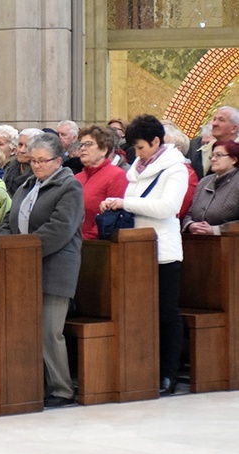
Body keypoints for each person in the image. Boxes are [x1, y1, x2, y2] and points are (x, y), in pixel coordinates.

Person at [100, 114, 188, 396]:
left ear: (156, 141)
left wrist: (124, 202)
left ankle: (169, 373)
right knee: (139, 313)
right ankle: (144, 368)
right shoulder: (138, 167)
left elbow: (167, 207)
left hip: (163, 250)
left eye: (140, 147)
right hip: (135, 250)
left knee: (166, 313)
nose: (136, 154)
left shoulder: (175, 168)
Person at [0, 133, 83, 408]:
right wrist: (6, 244)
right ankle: (40, 383)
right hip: (25, 268)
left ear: (58, 160)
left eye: (42, 161)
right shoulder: (27, 185)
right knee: (30, 330)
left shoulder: (69, 187)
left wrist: (24, 251)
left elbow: (60, 228)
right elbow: (9, 219)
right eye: (33, 161)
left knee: (49, 330)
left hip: (55, 267)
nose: (36, 166)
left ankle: (62, 388)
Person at [74, 125, 128, 239]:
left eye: (88, 144)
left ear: (104, 150)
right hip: (72, 244)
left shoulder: (117, 176)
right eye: (81, 145)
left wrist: (86, 239)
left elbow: (112, 218)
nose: (83, 148)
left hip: (97, 245)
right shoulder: (76, 178)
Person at [183, 140, 239, 234]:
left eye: (219, 155)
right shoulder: (204, 182)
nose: (213, 159)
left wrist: (216, 230)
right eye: (212, 155)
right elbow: (189, 213)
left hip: (230, 244)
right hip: (197, 241)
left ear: (234, 159)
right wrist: (191, 225)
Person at [3, 128, 43, 197]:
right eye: (20, 145)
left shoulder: (41, 175)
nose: (22, 150)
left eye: (27, 146)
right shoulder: (9, 169)